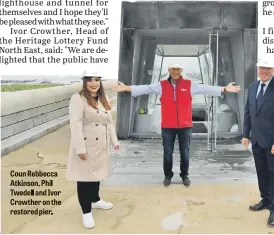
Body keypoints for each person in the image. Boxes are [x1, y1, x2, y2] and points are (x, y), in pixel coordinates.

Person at [113, 63, 240, 187]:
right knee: (167, 152)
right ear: (169, 71)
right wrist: (126, 88)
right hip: (168, 126)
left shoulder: (190, 85)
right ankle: (168, 176)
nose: (175, 72)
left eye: (178, 69)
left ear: (181, 71)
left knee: (185, 152)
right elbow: (145, 88)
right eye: (173, 69)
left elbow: (206, 88)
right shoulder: (161, 85)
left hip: (185, 125)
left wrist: (224, 89)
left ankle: (184, 175)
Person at [66, 70, 120, 229]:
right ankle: (86, 212)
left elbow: (109, 122)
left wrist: (114, 140)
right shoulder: (78, 98)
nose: (94, 83)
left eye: (97, 79)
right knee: (84, 178)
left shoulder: (103, 98)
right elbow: (75, 125)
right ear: (84, 81)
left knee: (97, 174)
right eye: (90, 80)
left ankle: (95, 200)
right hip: (86, 144)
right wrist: (79, 149)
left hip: (101, 144)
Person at [242, 57, 274, 227]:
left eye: (268, 68)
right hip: (256, 140)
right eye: (262, 68)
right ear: (258, 68)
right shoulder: (253, 87)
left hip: (273, 143)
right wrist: (245, 134)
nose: (264, 71)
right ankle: (265, 200)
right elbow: (248, 112)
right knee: (261, 172)